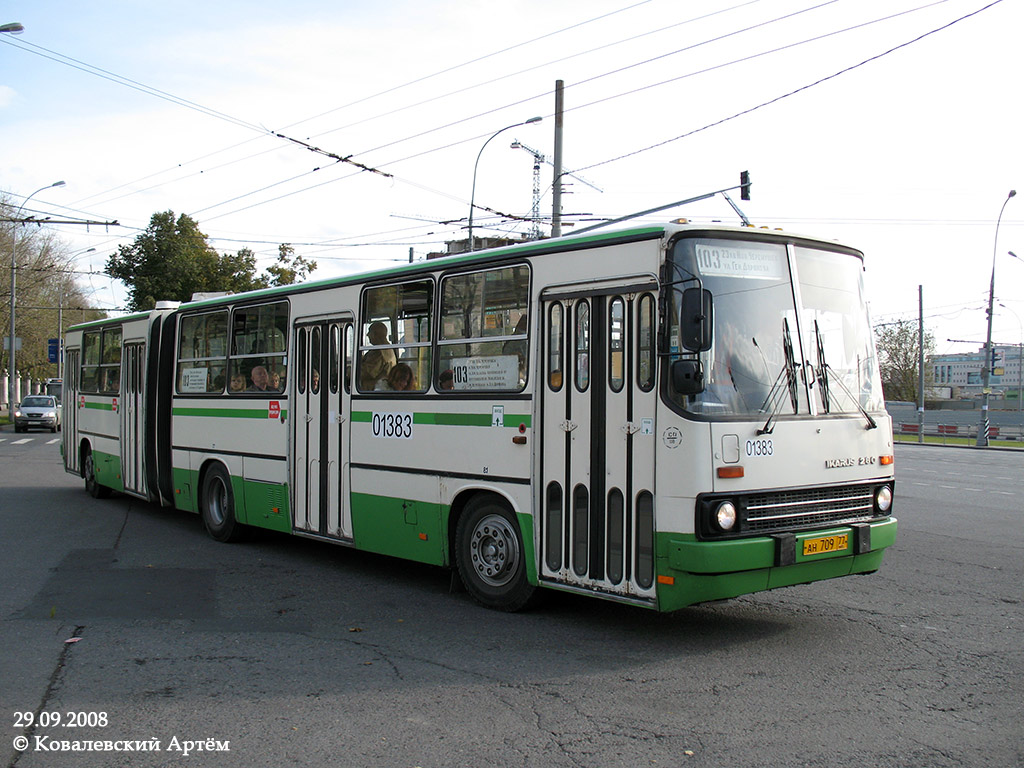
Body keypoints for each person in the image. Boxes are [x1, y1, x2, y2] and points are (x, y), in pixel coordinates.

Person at [359, 322, 396, 390]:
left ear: (375, 334)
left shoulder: (378, 352)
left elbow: (366, 372)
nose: (367, 335)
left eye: (369, 332)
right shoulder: (387, 348)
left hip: (374, 388)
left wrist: (348, 371)